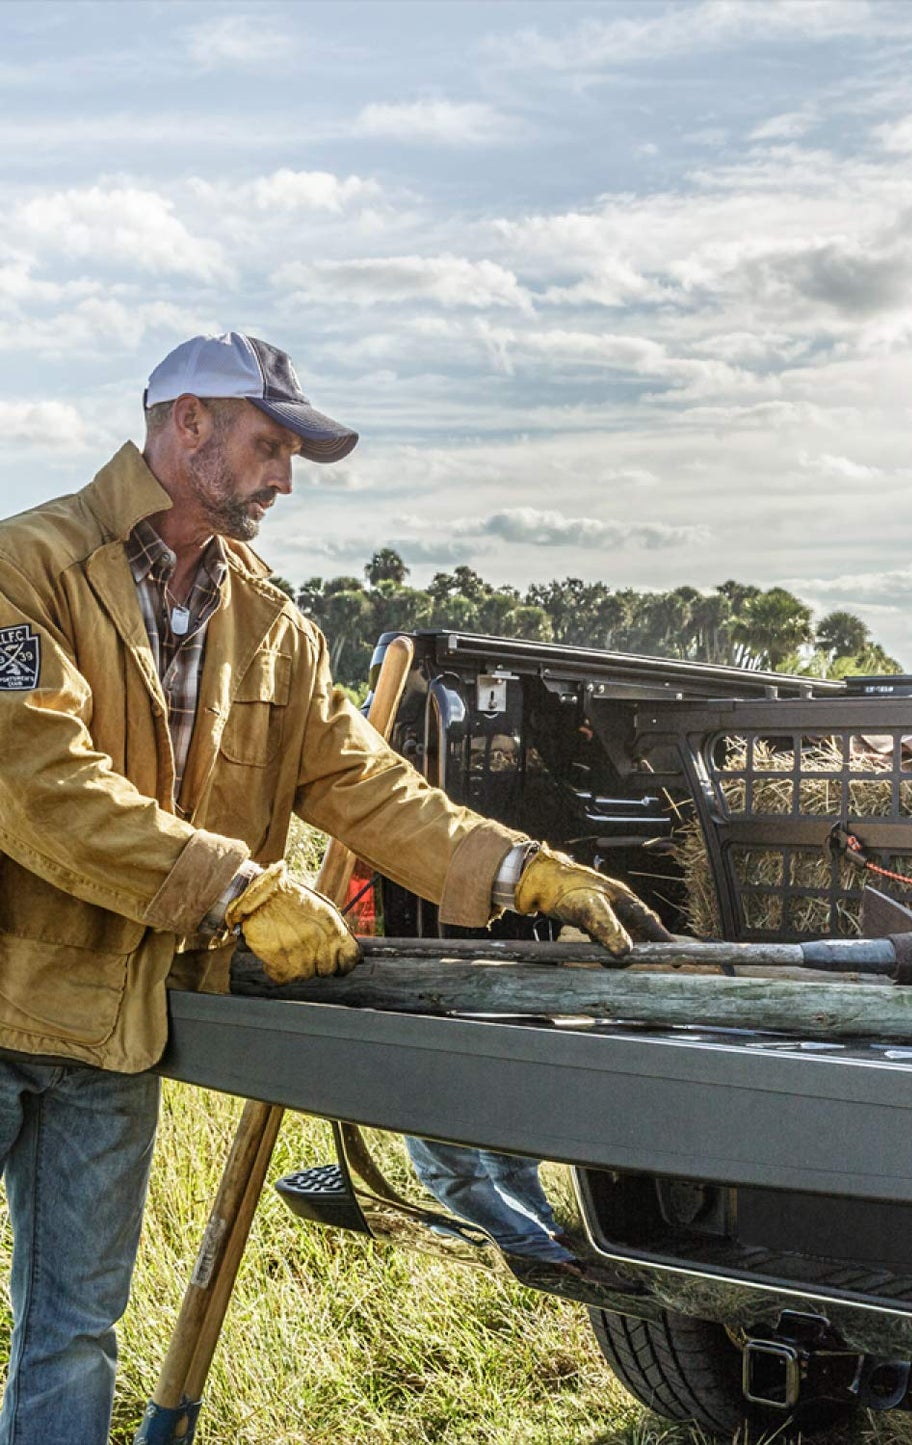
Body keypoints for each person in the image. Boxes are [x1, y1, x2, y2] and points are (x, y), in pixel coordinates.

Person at [0, 331, 667, 1444]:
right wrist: (237, 888)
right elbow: (37, 781)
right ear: (189, 423)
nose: (284, 477)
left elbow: (362, 783)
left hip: (103, 1032)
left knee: (74, 1327)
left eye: (294, 455)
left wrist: (518, 869)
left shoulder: (273, 627)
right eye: (270, 445)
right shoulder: (24, 567)